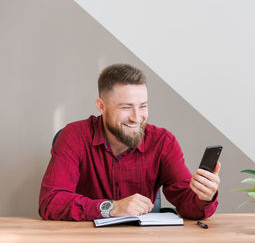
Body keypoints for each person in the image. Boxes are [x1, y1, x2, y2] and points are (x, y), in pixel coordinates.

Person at [39, 63, 220, 221]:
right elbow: (50, 202)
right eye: (126, 107)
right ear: (101, 106)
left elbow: (188, 205)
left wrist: (204, 197)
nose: (136, 118)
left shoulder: (163, 142)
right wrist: (112, 208)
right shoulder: (74, 136)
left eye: (143, 106)